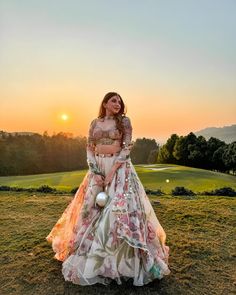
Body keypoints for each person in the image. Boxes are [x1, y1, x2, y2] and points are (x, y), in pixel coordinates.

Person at [46, 92, 170, 286]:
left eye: (120, 101)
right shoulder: (94, 123)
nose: (118, 103)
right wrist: (94, 171)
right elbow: (89, 147)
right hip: (97, 168)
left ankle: (120, 263)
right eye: (113, 100)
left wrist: (112, 171)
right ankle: (90, 254)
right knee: (91, 210)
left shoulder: (125, 122)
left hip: (120, 169)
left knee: (115, 211)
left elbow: (127, 147)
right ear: (104, 103)